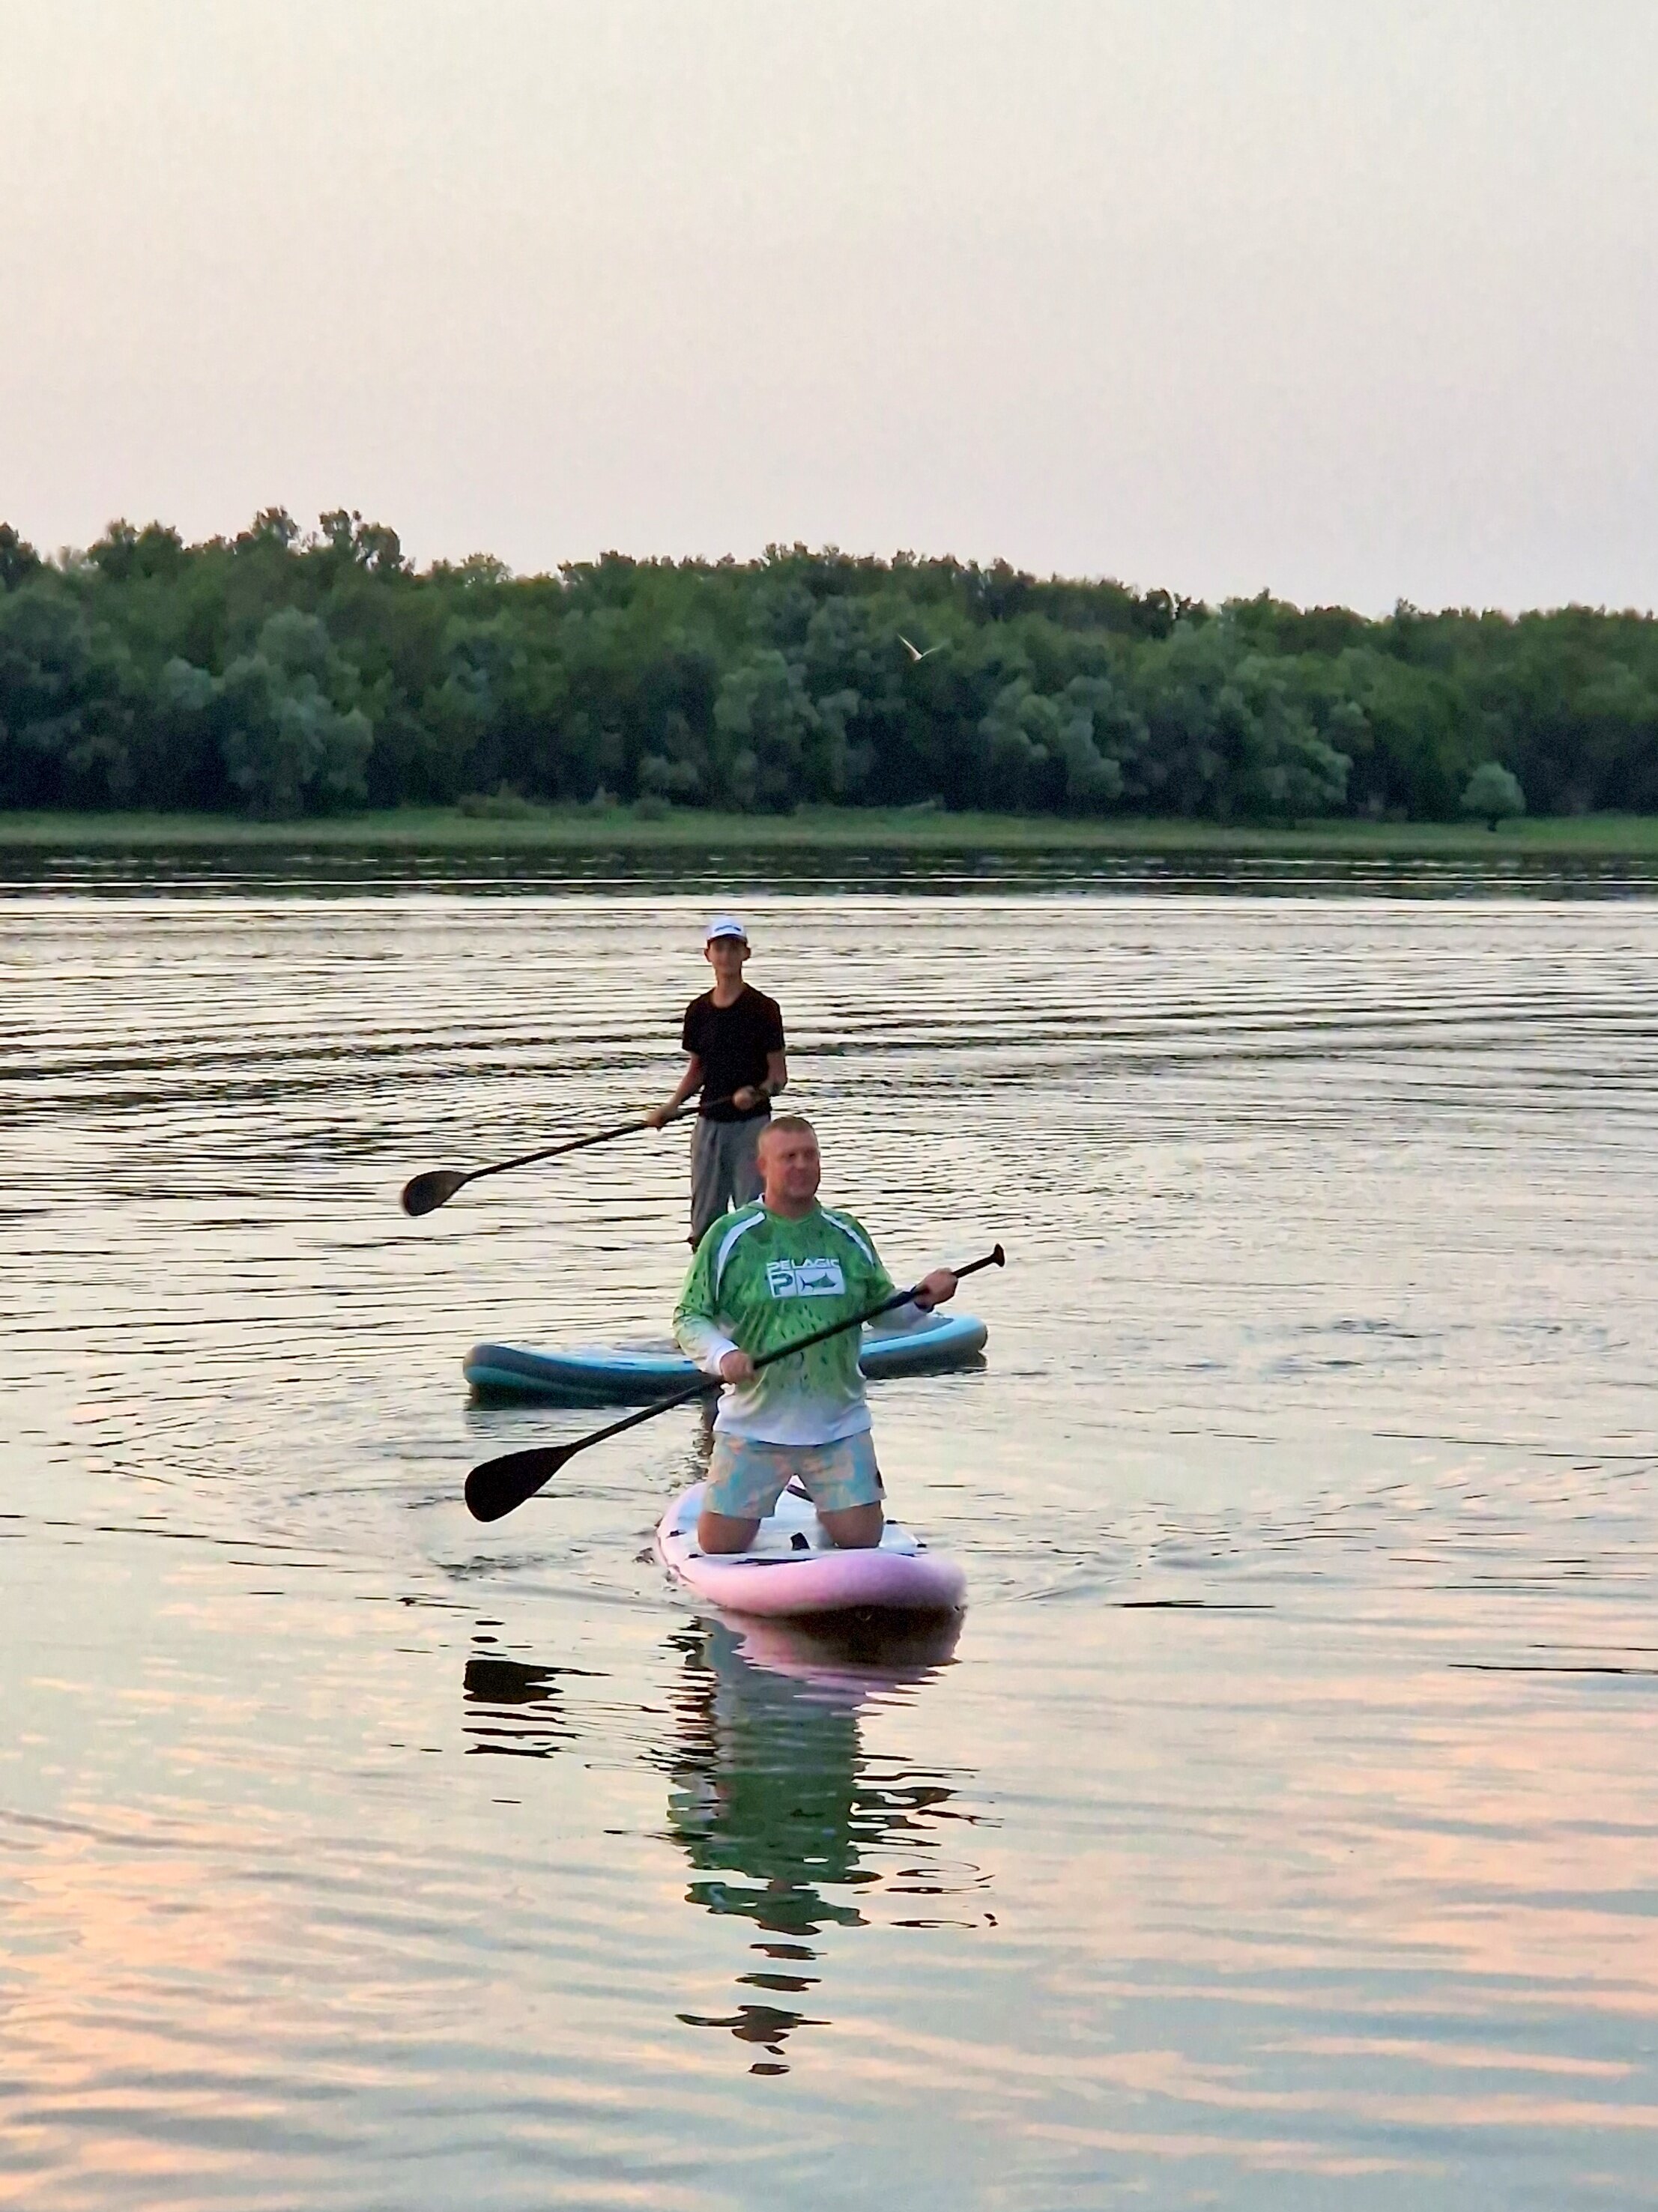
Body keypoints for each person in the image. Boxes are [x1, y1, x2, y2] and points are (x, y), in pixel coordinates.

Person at [673, 1115, 957, 1554]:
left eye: (810, 1155)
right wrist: (723, 1356)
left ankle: (831, 1514)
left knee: (862, 1540)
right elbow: (690, 1317)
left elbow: (884, 1312)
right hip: (755, 1425)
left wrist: (922, 1298)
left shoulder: (846, 1234)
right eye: (789, 1157)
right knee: (719, 1547)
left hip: (838, 1423)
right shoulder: (730, 1237)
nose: (802, 1165)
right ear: (762, 1165)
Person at [647, 915, 788, 1246]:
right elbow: (698, 1070)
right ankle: (707, 1285)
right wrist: (670, 1108)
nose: (726, 955)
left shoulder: (764, 1009)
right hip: (708, 1124)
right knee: (705, 1221)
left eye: (733, 948)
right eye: (720, 948)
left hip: (752, 1127)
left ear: (746, 954)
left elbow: (779, 1077)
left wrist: (755, 1093)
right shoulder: (698, 1011)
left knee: (753, 1214)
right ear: (708, 955)